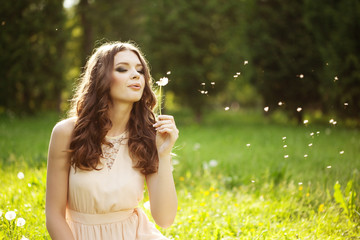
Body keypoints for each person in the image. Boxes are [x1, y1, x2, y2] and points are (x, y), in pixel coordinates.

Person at [45, 41, 178, 240]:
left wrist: (164, 154)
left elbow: (165, 219)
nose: (135, 75)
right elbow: (54, 216)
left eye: (140, 70)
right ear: (101, 78)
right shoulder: (67, 133)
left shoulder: (147, 136)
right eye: (122, 69)